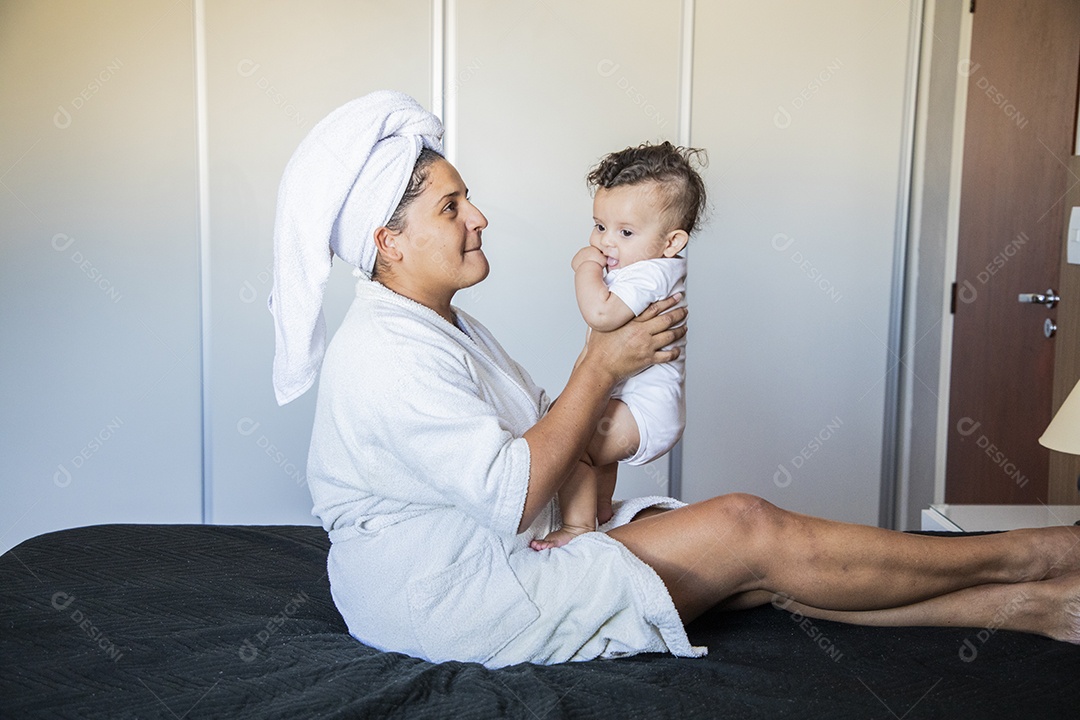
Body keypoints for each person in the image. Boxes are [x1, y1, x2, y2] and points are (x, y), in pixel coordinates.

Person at [271, 91, 1080, 670]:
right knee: (746, 528)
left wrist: (594, 447)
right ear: (389, 240)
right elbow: (511, 490)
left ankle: (1039, 606)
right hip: (452, 595)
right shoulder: (385, 352)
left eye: (468, 198)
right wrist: (602, 363)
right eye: (451, 207)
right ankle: (1029, 556)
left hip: (504, 549)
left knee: (753, 574)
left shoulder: (445, 324)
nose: (478, 215)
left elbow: (557, 434)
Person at [531, 142, 703, 550]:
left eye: (625, 232)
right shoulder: (643, 265)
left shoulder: (648, 274)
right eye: (599, 226)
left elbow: (601, 315)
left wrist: (584, 266)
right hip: (643, 407)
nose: (607, 242)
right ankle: (603, 509)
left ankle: (577, 530)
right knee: (593, 437)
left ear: (671, 242)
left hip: (645, 413)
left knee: (575, 447)